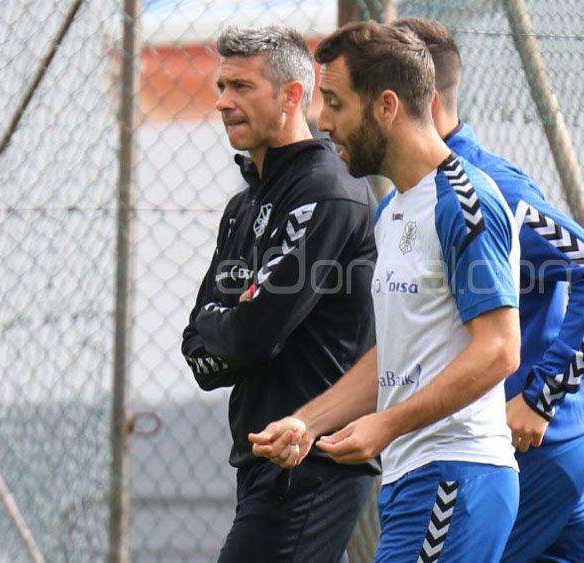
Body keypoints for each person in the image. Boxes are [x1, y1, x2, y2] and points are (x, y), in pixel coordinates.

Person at [250, 21, 523, 562]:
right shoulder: (393, 209)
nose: (324, 122)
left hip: (454, 474)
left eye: (335, 103)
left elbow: (499, 350)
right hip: (413, 479)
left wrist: (387, 424)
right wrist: (308, 422)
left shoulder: (463, 201)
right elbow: (396, 354)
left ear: (387, 107)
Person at [391, 17, 584, 563]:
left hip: (526, 448)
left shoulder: (492, 191)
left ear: (414, 101)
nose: (331, 118)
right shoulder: (404, 202)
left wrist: (542, 397)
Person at [180, 26, 378, 563]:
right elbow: (197, 350)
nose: (223, 102)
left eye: (241, 87)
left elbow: (254, 336)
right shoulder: (244, 206)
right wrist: (231, 325)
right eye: (222, 87)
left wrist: (228, 324)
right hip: (262, 461)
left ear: (292, 95)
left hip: (311, 463)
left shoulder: (326, 190)